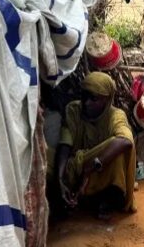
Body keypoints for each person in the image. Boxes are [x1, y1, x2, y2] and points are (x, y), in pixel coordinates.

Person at [55, 72, 136, 219]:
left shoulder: (116, 115)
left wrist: (91, 167)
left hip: (98, 170)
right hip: (76, 168)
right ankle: (66, 192)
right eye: (84, 96)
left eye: (94, 99)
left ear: (107, 100)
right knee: (44, 159)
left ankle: (107, 199)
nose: (86, 103)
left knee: (117, 150)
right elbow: (65, 143)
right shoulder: (73, 110)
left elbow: (126, 140)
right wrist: (59, 179)